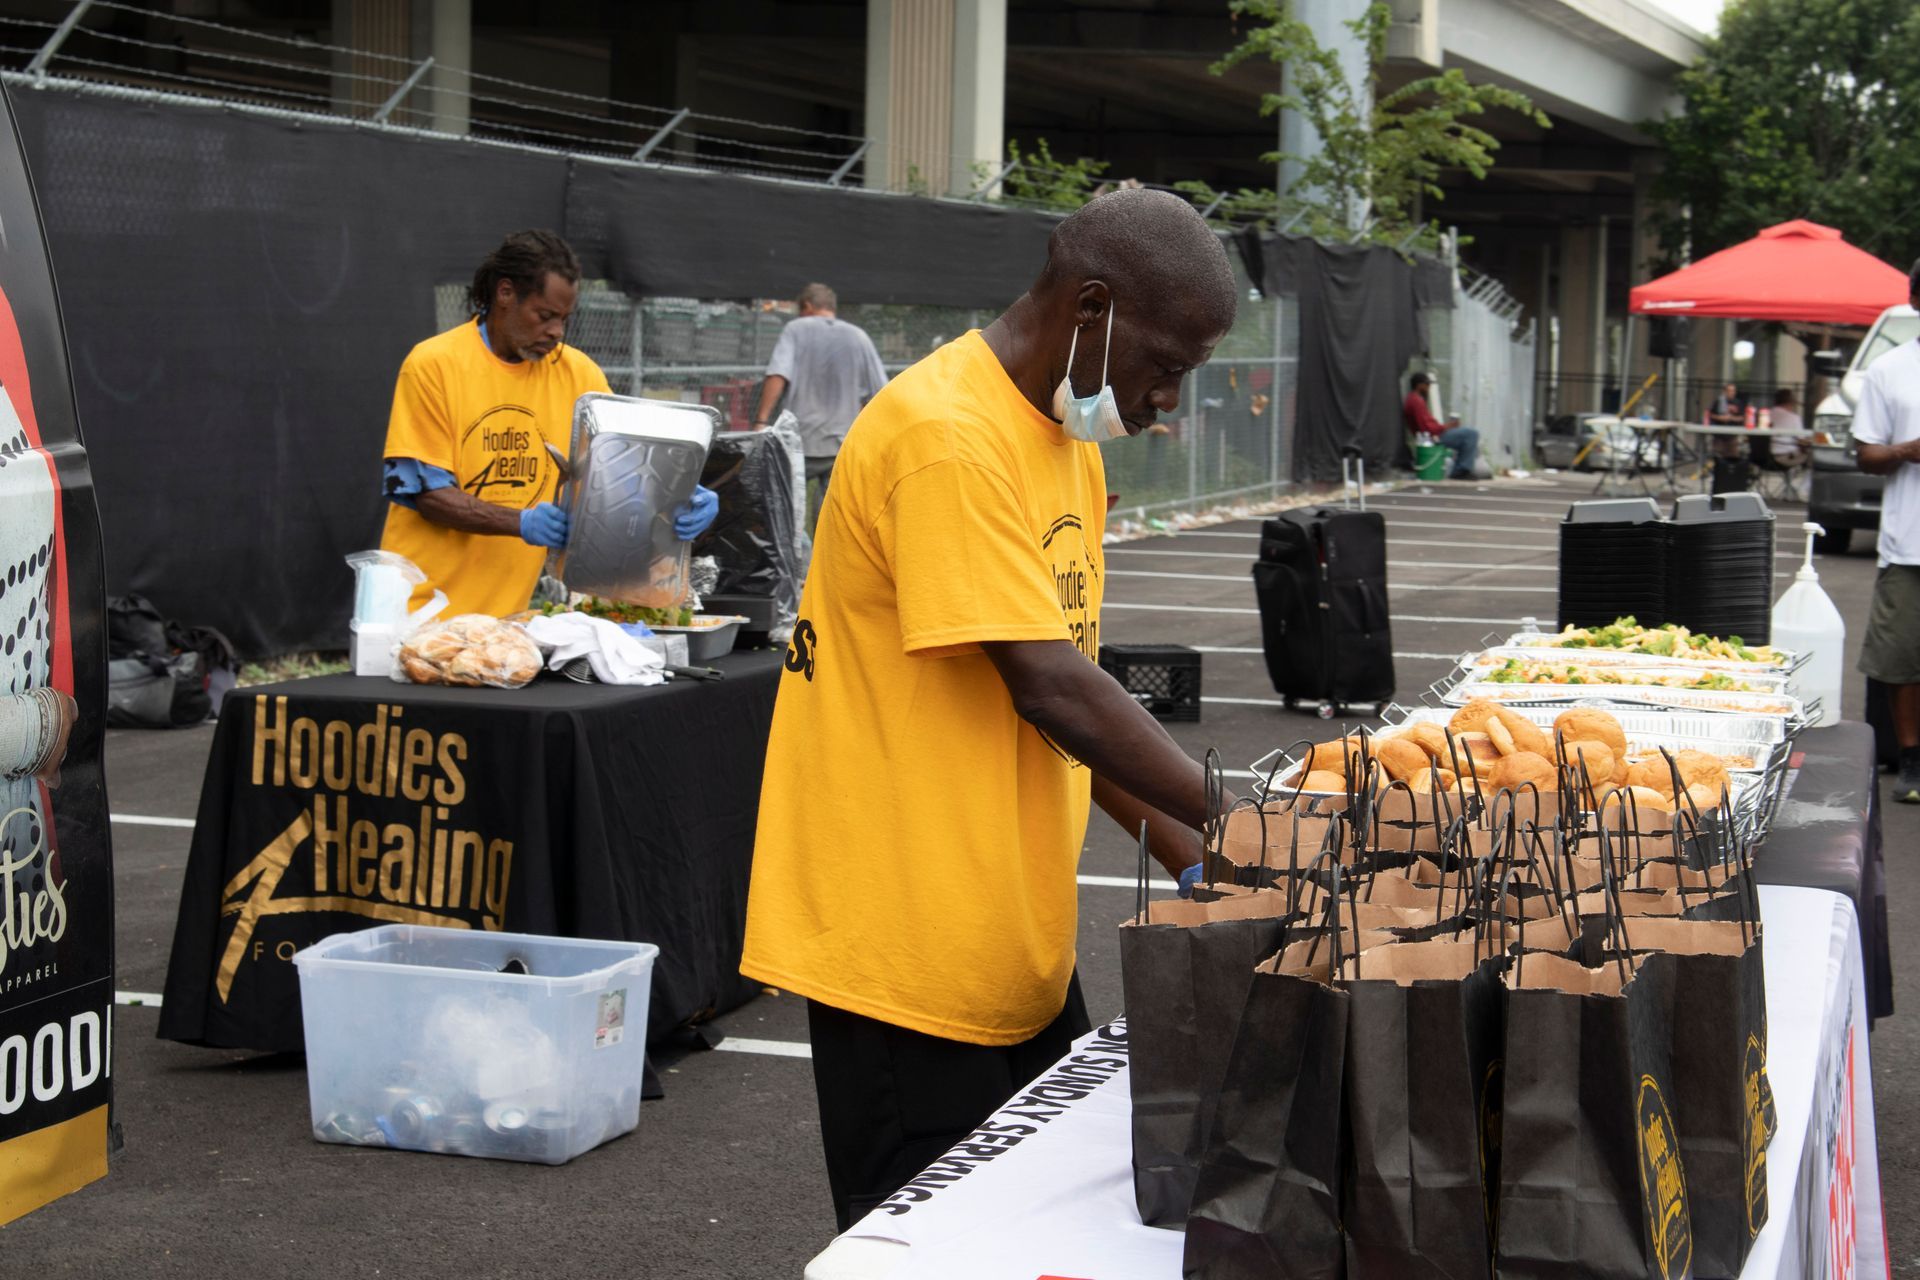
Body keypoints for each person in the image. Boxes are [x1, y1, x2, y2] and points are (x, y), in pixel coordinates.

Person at [741, 188, 1238, 1230]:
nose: (1165, 404)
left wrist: (1203, 854)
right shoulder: (946, 435)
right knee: (942, 1246)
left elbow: (1068, 703)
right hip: (907, 948)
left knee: (1039, 1235)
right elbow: (1049, 682)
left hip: (1010, 940)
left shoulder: (1063, 440)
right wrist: (1261, 824)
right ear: (1092, 307)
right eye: (1168, 367)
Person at [379, 229, 717, 616]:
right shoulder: (432, 365)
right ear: (504, 293)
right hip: (417, 614)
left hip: (508, 620)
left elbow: (632, 466)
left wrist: (682, 494)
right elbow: (428, 495)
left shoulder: (579, 375)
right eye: (545, 316)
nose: (556, 331)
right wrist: (520, 522)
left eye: (564, 319)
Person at [1852, 259, 1920, 802]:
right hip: (1909, 543)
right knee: (1901, 657)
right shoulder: (1889, 369)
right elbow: (1867, 454)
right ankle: (1911, 758)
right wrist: (1904, 451)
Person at [752, 282, 889, 524]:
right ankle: (820, 559)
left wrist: (761, 421)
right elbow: (881, 394)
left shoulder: (795, 329)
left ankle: (795, 560)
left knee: (786, 515)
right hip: (842, 446)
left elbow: (777, 375)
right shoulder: (859, 336)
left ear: (806, 306)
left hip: (798, 442)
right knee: (830, 519)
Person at [1402, 371, 1479, 478]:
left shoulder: (1413, 399)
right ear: (1419, 385)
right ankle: (1461, 470)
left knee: (1466, 435)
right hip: (1433, 437)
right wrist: (1448, 426)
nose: (1428, 387)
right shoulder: (1416, 401)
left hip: (1432, 435)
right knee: (1471, 434)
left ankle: (1461, 468)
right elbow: (1427, 428)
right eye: (1427, 384)